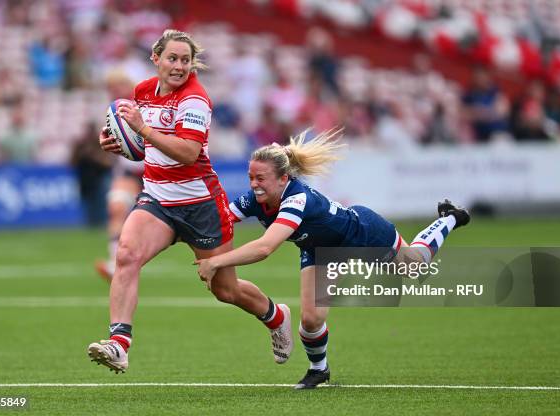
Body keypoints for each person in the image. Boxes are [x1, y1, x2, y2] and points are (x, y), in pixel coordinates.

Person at [196, 129, 470, 389]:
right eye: (251, 177)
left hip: (360, 234)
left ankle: (449, 218)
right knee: (312, 319)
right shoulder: (254, 199)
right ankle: (319, 370)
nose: (254, 185)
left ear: (283, 178)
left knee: (414, 266)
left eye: (261, 178)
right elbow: (221, 222)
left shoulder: (297, 198)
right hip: (319, 250)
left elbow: (265, 248)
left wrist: (217, 262)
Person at [87, 29, 293, 373]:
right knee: (126, 255)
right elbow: (141, 145)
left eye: (185, 60)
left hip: (201, 206)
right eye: (172, 58)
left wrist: (143, 129)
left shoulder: (195, 98)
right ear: (157, 59)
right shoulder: (143, 92)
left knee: (225, 290)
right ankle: (119, 345)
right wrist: (115, 141)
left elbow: (188, 152)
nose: (179, 66)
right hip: (157, 200)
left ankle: (276, 317)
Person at [94, 70, 145, 281]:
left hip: (156, 171)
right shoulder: (111, 113)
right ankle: (114, 262)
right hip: (129, 172)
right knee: (116, 208)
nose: (114, 92)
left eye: (118, 87)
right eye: (110, 88)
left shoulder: (145, 106)